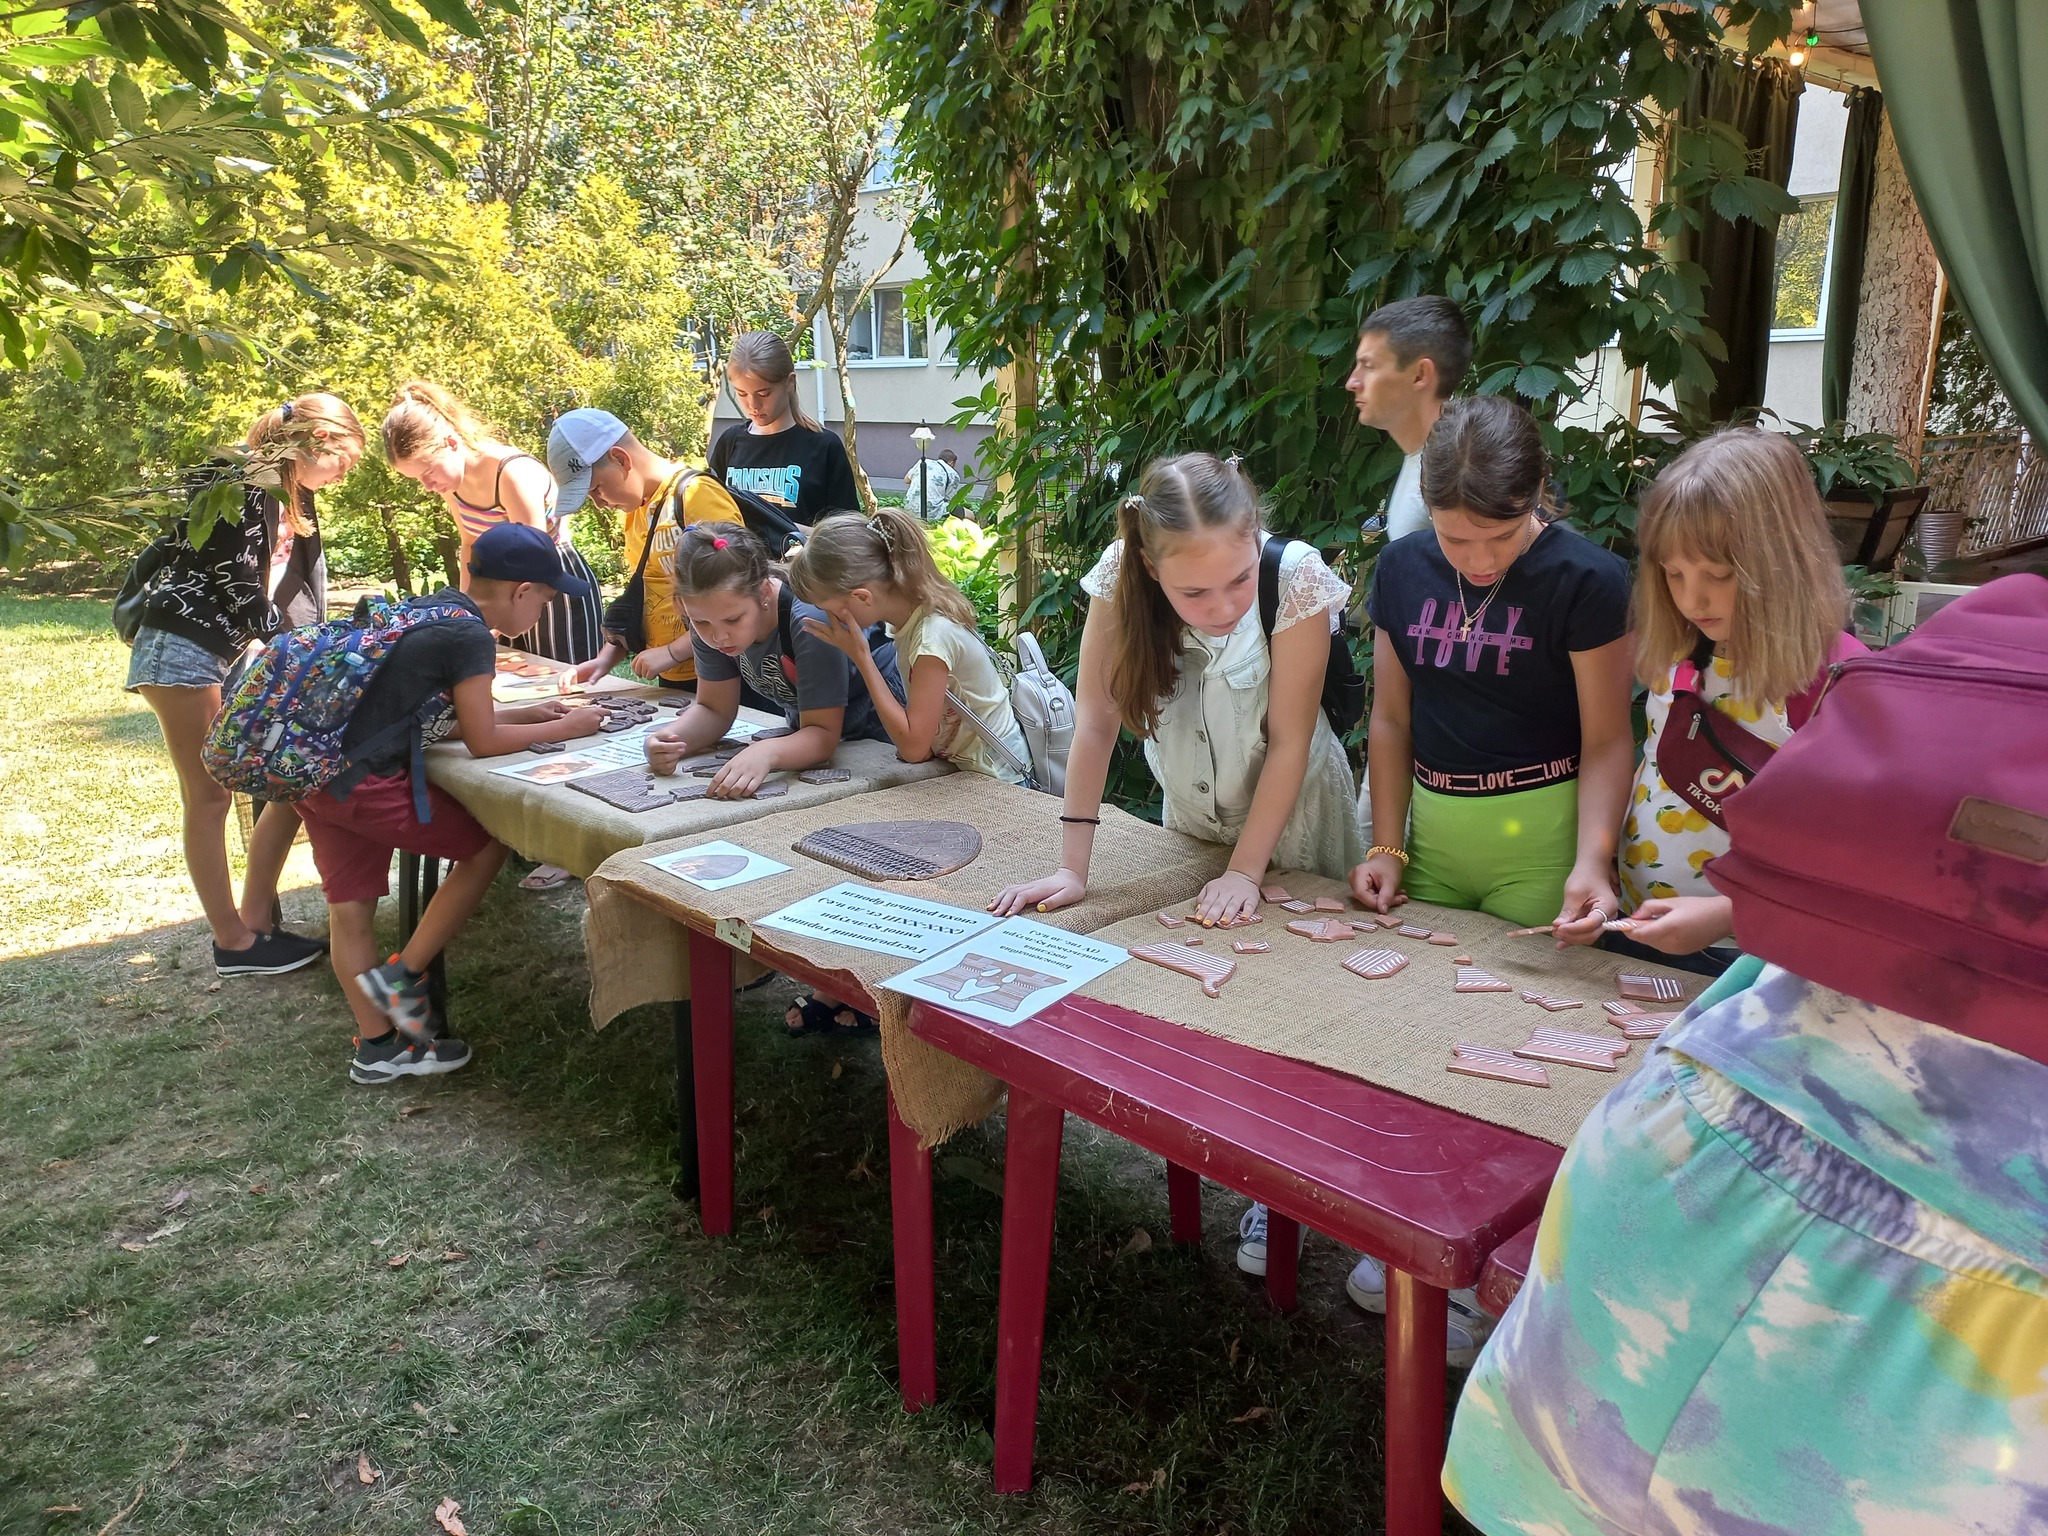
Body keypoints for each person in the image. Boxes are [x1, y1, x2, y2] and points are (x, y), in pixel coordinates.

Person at [1294, 395, 1632, 1356]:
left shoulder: (1588, 580)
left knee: (1522, 1056)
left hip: (1541, 834)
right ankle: (1409, 1228)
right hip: (1433, 829)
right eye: (1455, 538)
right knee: (1416, 1033)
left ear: (1538, 501)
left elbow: (1611, 739)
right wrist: (1386, 845)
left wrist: (1592, 862)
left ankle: (1501, 1271)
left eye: (1498, 537)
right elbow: (1391, 721)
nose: (1477, 560)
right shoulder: (1401, 570)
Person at [990, 452, 1363, 929]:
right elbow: (1096, 722)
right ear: (1149, 565)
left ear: (1253, 538)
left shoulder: (1295, 579)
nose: (1223, 606)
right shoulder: (1119, 574)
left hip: (1298, 820)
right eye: (1194, 593)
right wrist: (1072, 868)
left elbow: (1290, 742)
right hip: (1192, 827)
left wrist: (1245, 874)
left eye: (1241, 579)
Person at [293, 524, 608, 1084]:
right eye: (546, 599)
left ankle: (381, 1049)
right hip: (364, 783)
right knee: (488, 847)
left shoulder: (433, 610)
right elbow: (481, 742)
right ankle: (405, 973)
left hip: (317, 775)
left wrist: (523, 716)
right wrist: (570, 726)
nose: (544, 611)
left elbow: (443, 717)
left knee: (350, 909)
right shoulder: (471, 637)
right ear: (521, 591)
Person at [1563, 427, 1866, 972]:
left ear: (1781, 563)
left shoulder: (1838, 682)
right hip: (1636, 927)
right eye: (1672, 574)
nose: (1691, 598)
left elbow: (1853, 863)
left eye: (1718, 575)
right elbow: (1650, 773)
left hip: (1753, 959)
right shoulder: (1675, 653)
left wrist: (1727, 913)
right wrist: (1598, 864)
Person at [125, 393, 363, 977]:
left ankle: (255, 920)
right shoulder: (242, 481)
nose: (345, 474)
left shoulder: (279, 494)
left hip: (214, 653)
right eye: (345, 460)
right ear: (317, 443)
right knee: (208, 798)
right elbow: (235, 582)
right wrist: (301, 647)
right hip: (181, 652)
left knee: (264, 781)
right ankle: (233, 942)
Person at [643, 523, 904, 1036]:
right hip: (817, 739)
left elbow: (823, 735)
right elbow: (714, 709)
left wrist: (766, 752)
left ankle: (873, 988)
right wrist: (673, 737)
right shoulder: (713, 622)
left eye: (731, 621)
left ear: (765, 592)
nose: (718, 636)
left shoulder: (806, 622)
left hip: (882, 737)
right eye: (700, 624)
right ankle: (836, 980)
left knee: (870, 862)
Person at [788, 507, 1029, 782]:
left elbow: (914, 748)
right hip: (972, 770)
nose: (829, 619)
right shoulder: (910, 620)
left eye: (827, 610)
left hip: (1001, 778)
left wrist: (862, 658)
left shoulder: (931, 639)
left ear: (862, 597)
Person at [382, 381, 604, 665]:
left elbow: (532, 554)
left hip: (548, 582)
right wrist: (468, 611)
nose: (427, 485)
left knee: (566, 681)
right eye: (417, 479)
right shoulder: (450, 484)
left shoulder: (511, 472)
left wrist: (492, 614)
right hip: (503, 586)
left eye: (428, 471)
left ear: (452, 443)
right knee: (507, 676)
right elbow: (469, 543)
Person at [544, 407, 746, 689]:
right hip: (675, 674)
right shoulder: (636, 511)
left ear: (620, 458)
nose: (599, 503)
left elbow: (737, 595)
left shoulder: (696, 496)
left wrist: (673, 651)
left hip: (724, 670)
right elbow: (644, 595)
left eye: (596, 489)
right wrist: (606, 658)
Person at [1345, 296, 1471, 544]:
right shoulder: (1429, 458)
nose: (1352, 382)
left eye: (1368, 366)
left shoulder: (1462, 473)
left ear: (1420, 374)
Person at [709, 331, 859, 528]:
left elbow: (849, 534)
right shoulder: (730, 443)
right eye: (742, 393)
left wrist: (794, 534)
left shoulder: (824, 446)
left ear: (790, 383)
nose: (753, 404)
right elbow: (711, 520)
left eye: (764, 393)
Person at [904, 448, 963, 521]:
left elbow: (906, 480)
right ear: (952, 462)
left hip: (909, 508)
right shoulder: (954, 475)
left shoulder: (923, 462)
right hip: (931, 512)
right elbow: (949, 501)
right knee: (969, 514)